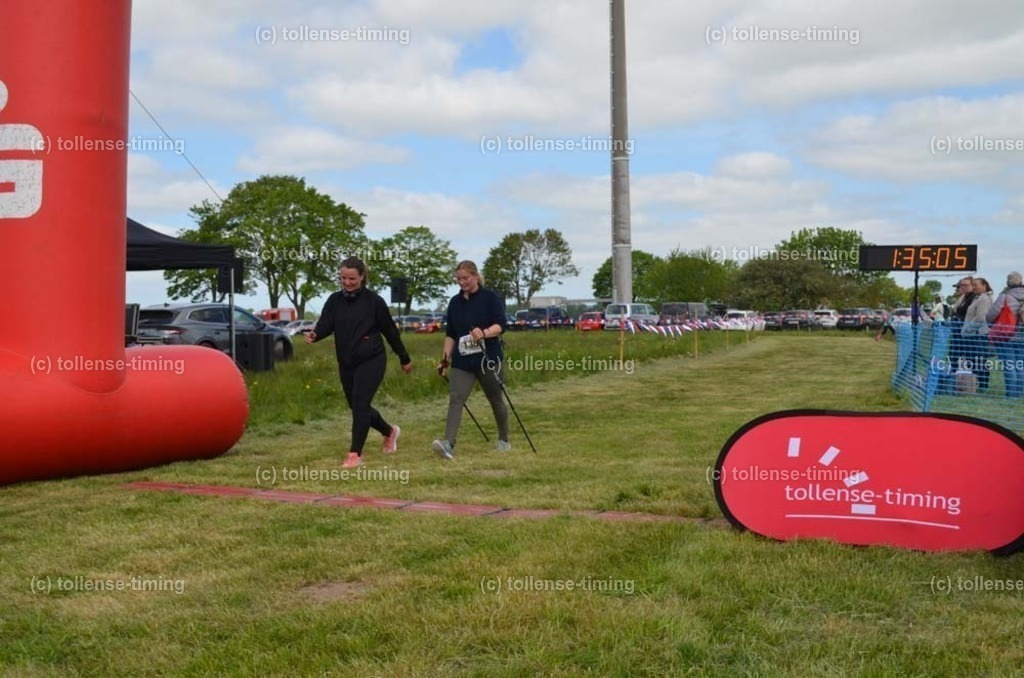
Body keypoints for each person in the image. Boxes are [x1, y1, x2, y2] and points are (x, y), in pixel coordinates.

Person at [305, 257, 412, 468]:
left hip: (372, 359)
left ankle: (355, 455)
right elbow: (326, 324)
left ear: (362, 277)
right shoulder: (334, 300)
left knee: (361, 404)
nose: (347, 282)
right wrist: (315, 334)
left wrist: (404, 357)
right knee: (357, 407)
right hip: (346, 361)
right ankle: (390, 432)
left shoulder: (374, 302)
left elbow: (390, 331)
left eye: (352, 278)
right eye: (343, 278)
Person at [433, 260, 509, 459]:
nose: (462, 282)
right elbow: (451, 334)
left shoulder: (490, 298)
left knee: (496, 400)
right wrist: (445, 359)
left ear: (475, 276)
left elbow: (501, 325)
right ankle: (448, 443)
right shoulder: (455, 303)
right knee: (456, 399)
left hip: (488, 358)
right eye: (458, 279)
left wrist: (484, 333)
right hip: (463, 361)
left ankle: (504, 439)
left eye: (465, 278)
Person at [985, 272, 1024, 398]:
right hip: (1022, 336)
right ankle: (1020, 393)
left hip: (1006, 335)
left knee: (1009, 366)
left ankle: (1011, 394)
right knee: (1020, 365)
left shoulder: (1005, 297)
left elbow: (991, 315)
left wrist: (993, 325)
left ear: (1008, 282)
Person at [960, 277, 993, 392]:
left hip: (978, 335)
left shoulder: (984, 299)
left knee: (979, 361)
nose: (974, 287)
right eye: (972, 285)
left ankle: (983, 385)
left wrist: (967, 329)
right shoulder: (977, 298)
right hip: (973, 335)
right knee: (974, 361)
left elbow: (980, 318)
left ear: (984, 286)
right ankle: (978, 383)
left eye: (976, 285)